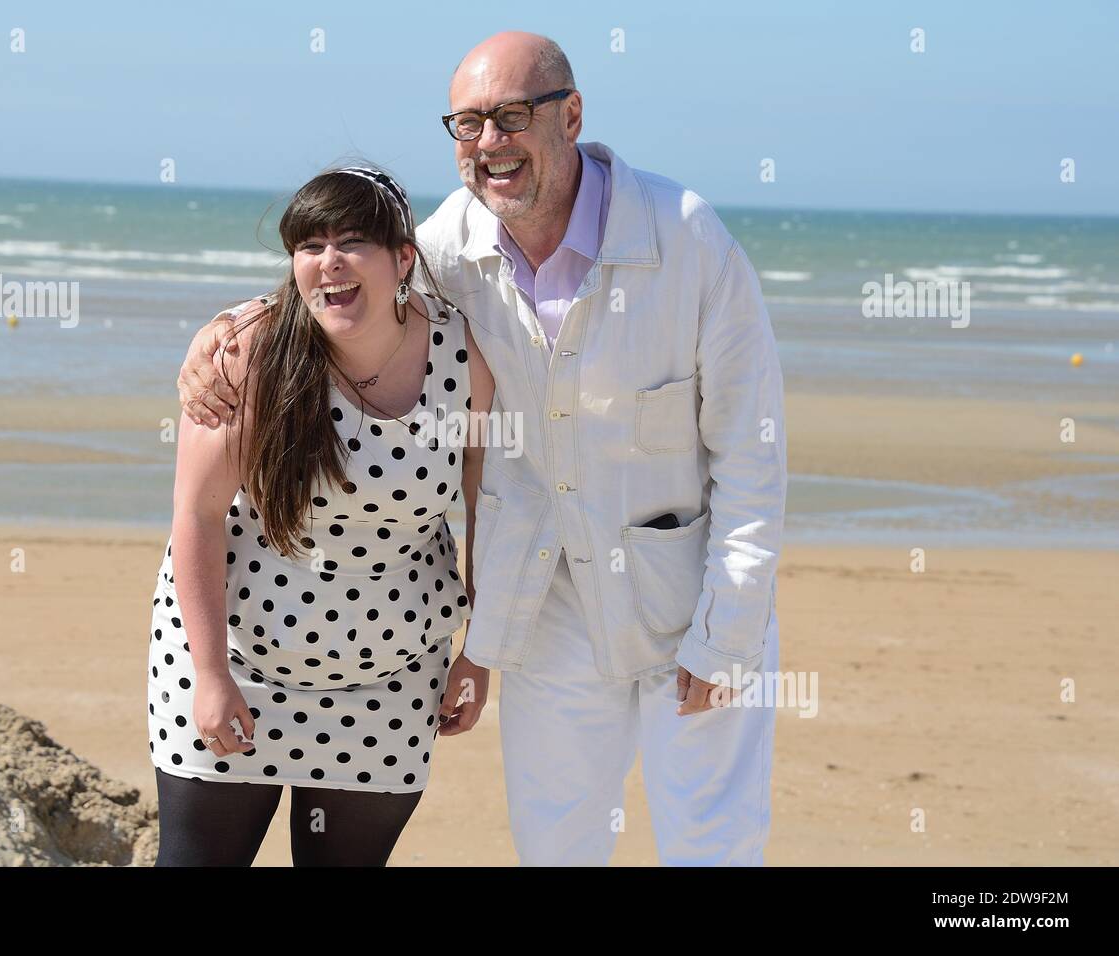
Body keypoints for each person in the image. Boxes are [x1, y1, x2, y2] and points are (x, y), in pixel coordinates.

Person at [177, 32, 786, 866]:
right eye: (466, 125)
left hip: (690, 594)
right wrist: (221, 334)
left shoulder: (686, 238)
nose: (488, 144)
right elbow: (342, 287)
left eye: (509, 117)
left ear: (570, 116)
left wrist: (731, 630)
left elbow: (752, 452)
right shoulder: (447, 247)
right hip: (547, 604)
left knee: (713, 845)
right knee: (556, 847)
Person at [149, 164, 494, 866]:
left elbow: (490, 509)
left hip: (394, 679)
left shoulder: (463, 357)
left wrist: (479, 650)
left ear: (403, 259)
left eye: (351, 241)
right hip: (240, 665)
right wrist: (210, 673)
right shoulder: (249, 352)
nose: (328, 262)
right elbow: (197, 514)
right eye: (309, 245)